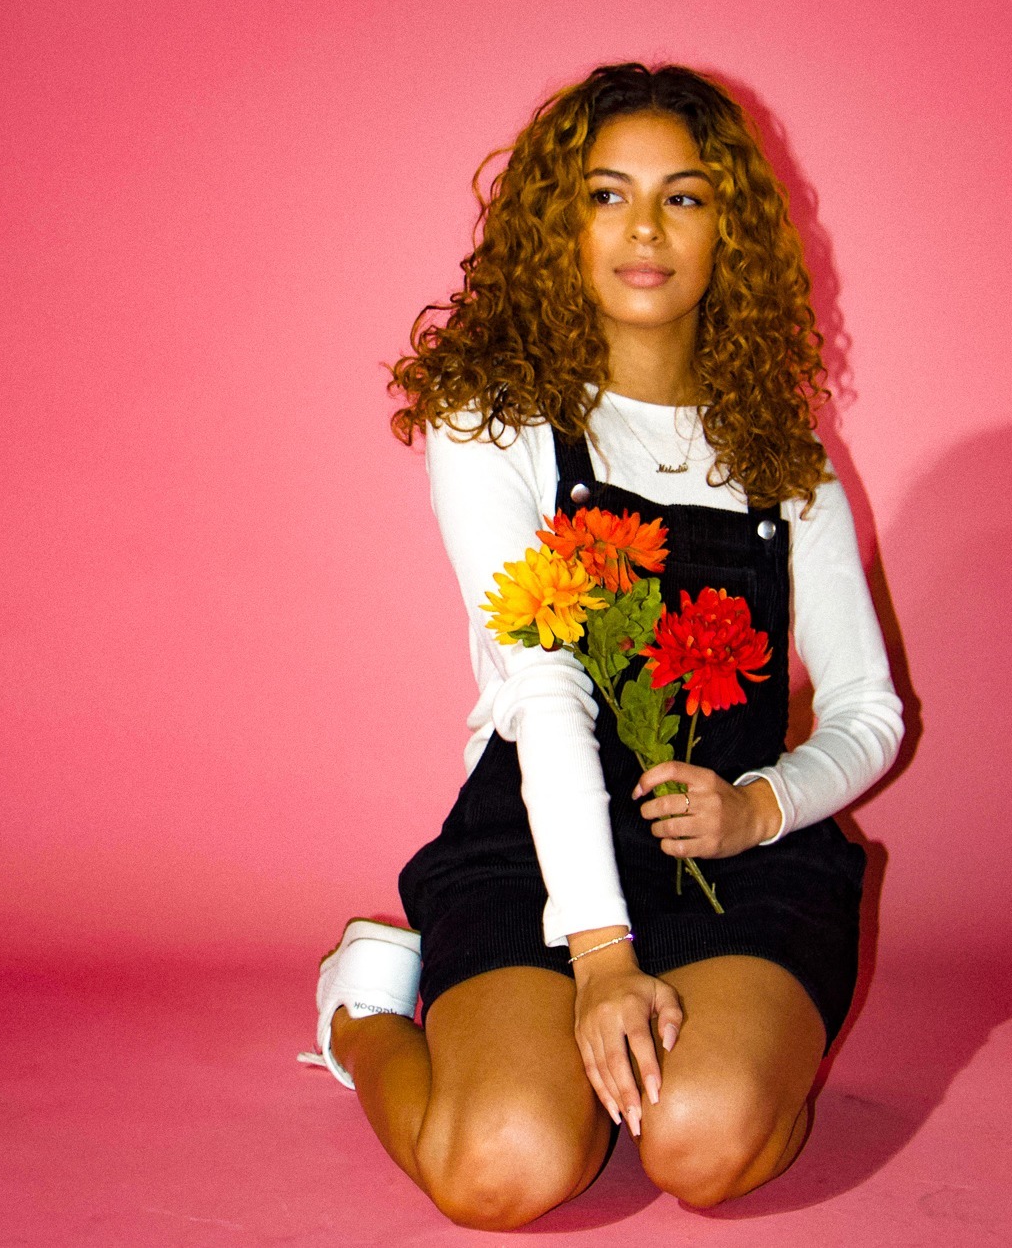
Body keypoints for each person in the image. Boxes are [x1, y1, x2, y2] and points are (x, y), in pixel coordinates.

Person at [300, 62, 904, 1230]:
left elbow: (870, 711)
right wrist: (600, 953)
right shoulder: (496, 421)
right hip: (539, 843)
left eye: (684, 196)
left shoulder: (784, 453)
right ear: (557, 223)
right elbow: (542, 689)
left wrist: (761, 808)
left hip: (736, 856)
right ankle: (364, 1010)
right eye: (606, 193)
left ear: (729, 228)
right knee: (504, 1166)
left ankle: (677, 1041)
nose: (645, 228)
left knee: (706, 1144)